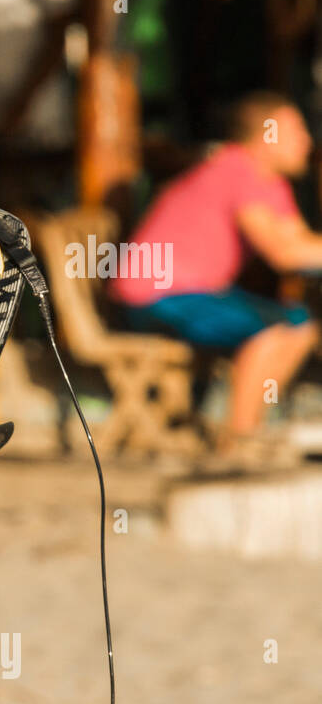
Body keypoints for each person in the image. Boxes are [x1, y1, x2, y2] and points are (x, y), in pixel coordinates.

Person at [109, 90, 322, 453]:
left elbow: (299, 242)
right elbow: (285, 254)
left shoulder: (268, 182)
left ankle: (248, 432)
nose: (307, 140)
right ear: (265, 136)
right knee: (277, 327)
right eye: (296, 130)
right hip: (156, 294)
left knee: (298, 323)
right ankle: (238, 441)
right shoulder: (239, 168)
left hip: (192, 294)